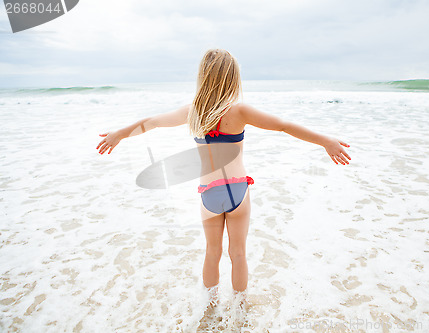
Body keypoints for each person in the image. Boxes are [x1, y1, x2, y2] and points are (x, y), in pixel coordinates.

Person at [96, 48, 351, 309]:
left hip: (209, 193)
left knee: (212, 252)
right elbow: (284, 125)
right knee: (238, 254)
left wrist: (119, 134)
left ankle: (210, 307)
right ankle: (239, 312)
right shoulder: (240, 111)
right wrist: (325, 141)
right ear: (233, 78)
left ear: (203, 77)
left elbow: (153, 122)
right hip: (238, 189)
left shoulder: (192, 112)